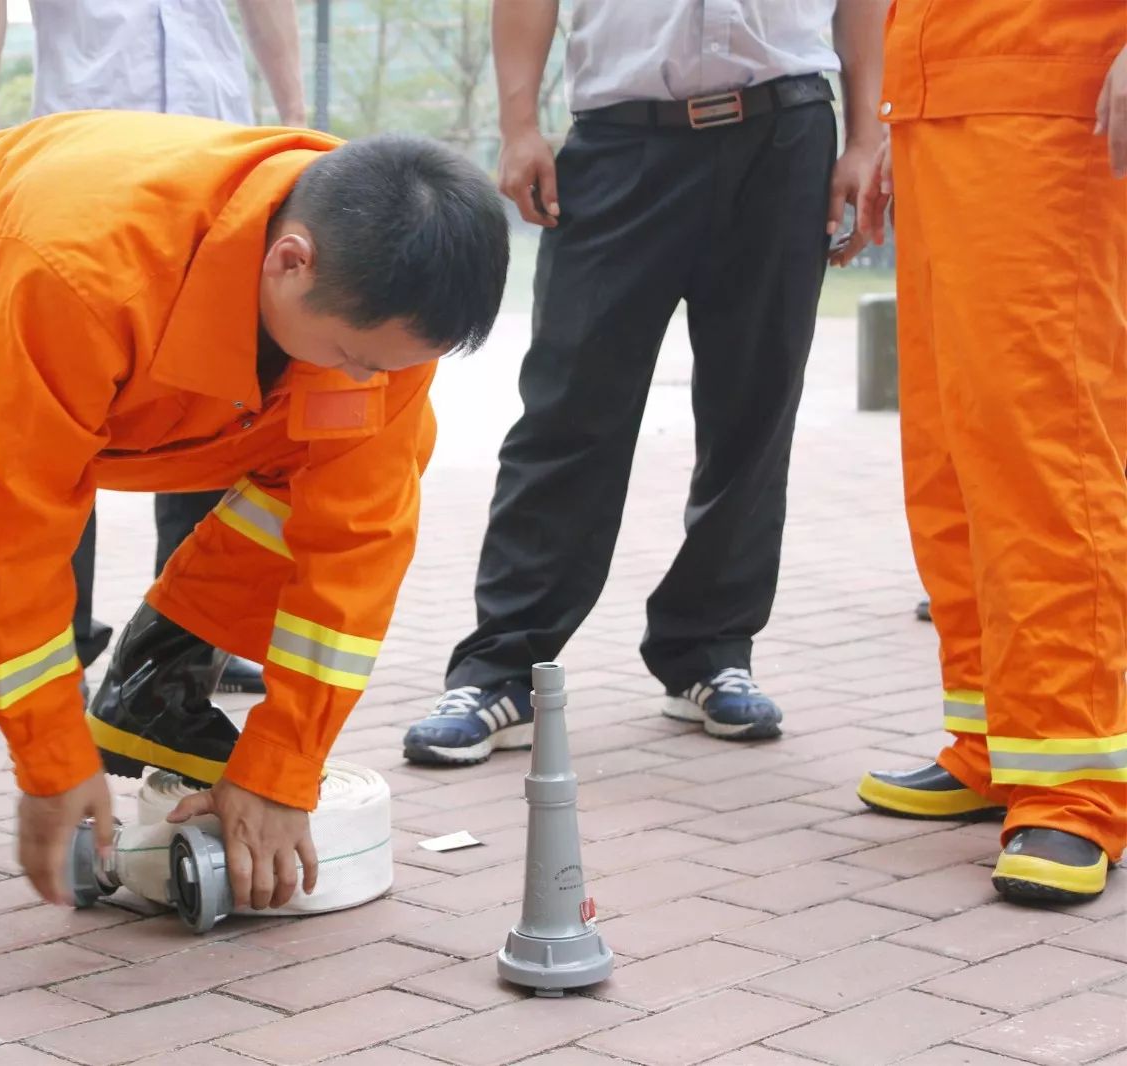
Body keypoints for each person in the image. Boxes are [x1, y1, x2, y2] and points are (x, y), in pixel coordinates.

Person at [0, 112, 509, 997]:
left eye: (389, 367)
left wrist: (281, 772)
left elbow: (357, 543)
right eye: (355, 359)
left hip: (124, 400)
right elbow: (24, 536)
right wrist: (52, 762)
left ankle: (157, 680)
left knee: (361, 466)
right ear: (291, 260)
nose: (367, 384)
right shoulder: (88, 265)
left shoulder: (381, 304)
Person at [400, 0, 887, 765]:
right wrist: (520, 124)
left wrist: (865, 138)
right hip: (621, 140)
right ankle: (501, 666)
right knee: (569, 408)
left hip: (785, 135)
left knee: (755, 408)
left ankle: (711, 649)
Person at [849, 0, 1126, 904]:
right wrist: (909, 107)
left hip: (1053, 97)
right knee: (950, 453)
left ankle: (1075, 782)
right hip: (948, 102)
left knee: (1044, 446)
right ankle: (995, 743)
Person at [0, 0, 308, 699]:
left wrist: (294, 115)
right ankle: (57, 648)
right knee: (61, 413)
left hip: (218, 151)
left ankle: (182, 642)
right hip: (87, 160)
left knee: (211, 391)